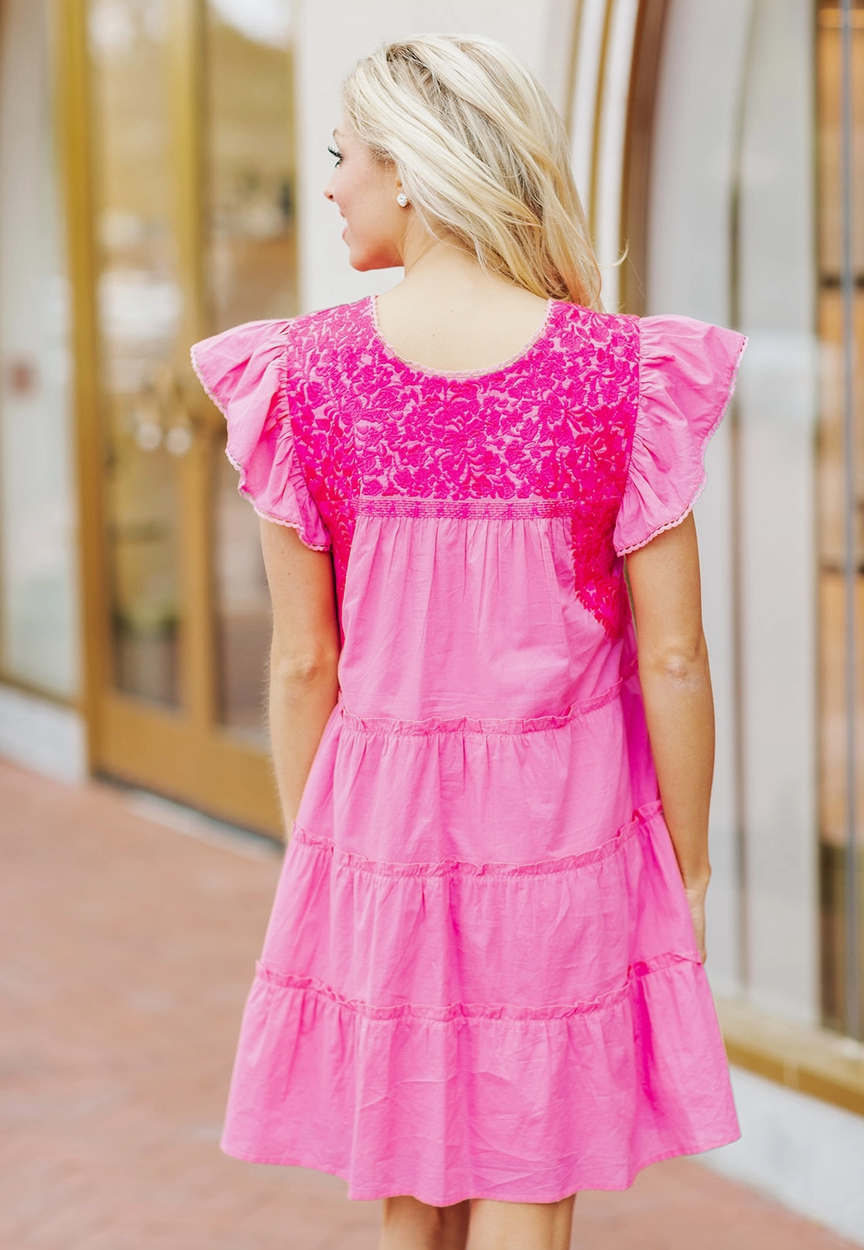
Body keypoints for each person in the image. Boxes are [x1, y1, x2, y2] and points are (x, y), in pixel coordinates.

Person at [190, 33, 746, 1250]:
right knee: (529, 1161)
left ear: (409, 167)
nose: (329, 182)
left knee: (415, 1179)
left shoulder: (302, 376)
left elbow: (302, 663)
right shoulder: (622, 373)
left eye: (343, 156)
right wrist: (691, 869)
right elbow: (677, 655)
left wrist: (323, 849)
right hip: (566, 824)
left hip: (387, 824)